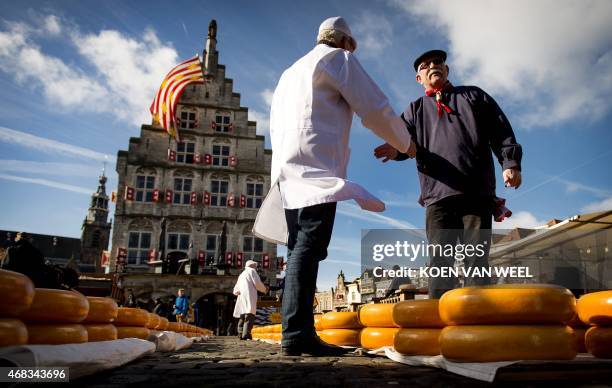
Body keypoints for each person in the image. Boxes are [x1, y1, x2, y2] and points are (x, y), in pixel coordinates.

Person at [252, 16, 413, 356]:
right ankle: (297, 335)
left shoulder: (289, 72)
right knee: (309, 248)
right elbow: (374, 106)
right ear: (347, 43)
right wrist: (405, 143)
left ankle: (295, 331)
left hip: (287, 168)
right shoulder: (338, 59)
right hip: (315, 169)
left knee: (299, 248)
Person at [374, 49, 523, 298]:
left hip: (476, 194)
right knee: (440, 265)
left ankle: (477, 325)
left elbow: (501, 131)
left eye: (438, 61)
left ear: (447, 69)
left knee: (476, 261)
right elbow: (402, 140)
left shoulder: (474, 96)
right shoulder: (415, 110)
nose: (432, 65)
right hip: (438, 197)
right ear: (418, 78)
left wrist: (510, 163)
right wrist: (396, 148)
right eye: (425, 64)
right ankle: (438, 326)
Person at [233, 260, 268, 340]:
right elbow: (257, 283)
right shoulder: (252, 271)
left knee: (242, 314)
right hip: (249, 295)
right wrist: (264, 289)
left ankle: (240, 332)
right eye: (255, 265)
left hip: (242, 296)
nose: (256, 267)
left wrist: (236, 292)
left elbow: (235, 288)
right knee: (249, 314)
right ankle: (246, 334)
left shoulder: (242, 274)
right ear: (252, 265)